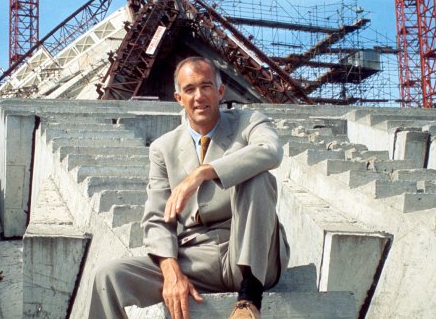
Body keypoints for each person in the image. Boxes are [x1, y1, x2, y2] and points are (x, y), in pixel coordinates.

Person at [89, 56, 289, 319]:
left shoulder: (249, 122)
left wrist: (204, 172)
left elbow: (271, 152)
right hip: (195, 258)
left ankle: (249, 299)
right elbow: (158, 218)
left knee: (258, 177)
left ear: (220, 92)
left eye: (206, 86)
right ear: (178, 98)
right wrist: (171, 271)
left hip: (252, 252)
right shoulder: (163, 148)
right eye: (189, 89)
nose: (199, 96)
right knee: (108, 277)